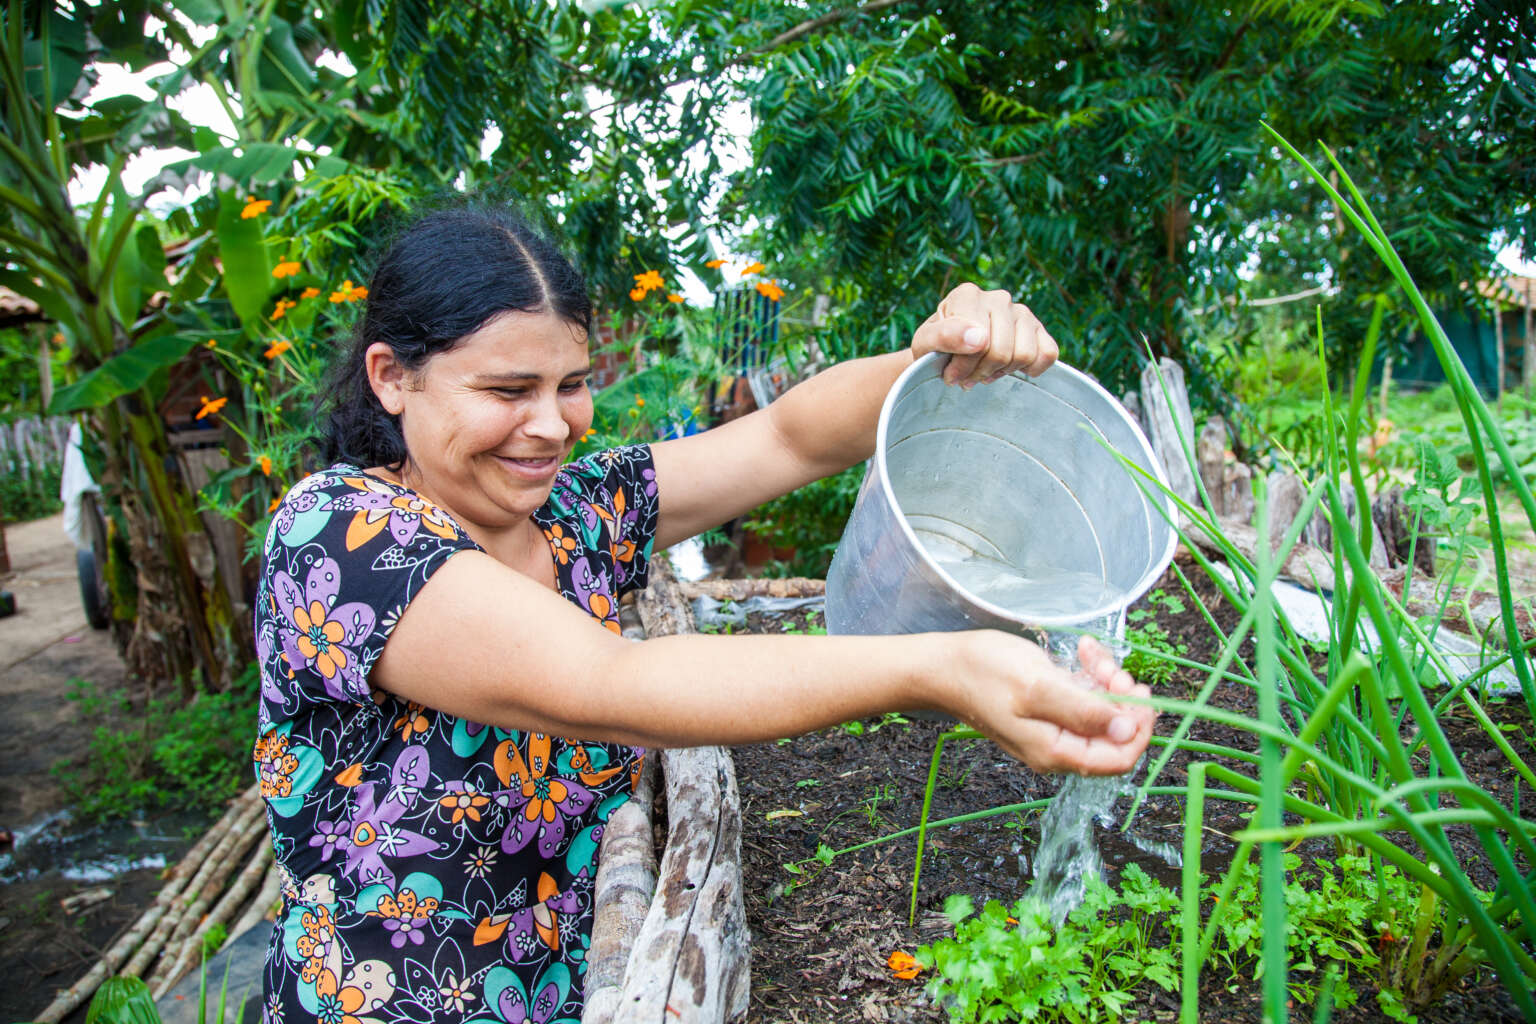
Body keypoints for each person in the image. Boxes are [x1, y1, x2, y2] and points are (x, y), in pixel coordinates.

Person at [253, 201, 1156, 1022]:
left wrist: (941, 360)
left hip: (588, 983)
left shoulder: (574, 507)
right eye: (505, 391)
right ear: (392, 377)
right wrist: (941, 666)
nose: (552, 425)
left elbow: (785, 436)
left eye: (569, 384)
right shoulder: (343, 539)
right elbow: (604, 681)